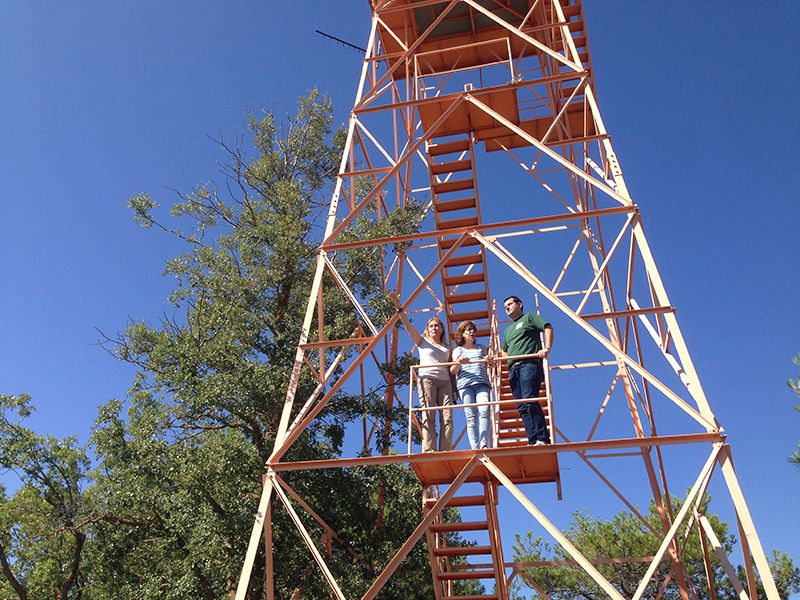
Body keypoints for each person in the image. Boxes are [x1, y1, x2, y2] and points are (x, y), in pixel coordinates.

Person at [390, 294, 453, 452]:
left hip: (445, 381)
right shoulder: (422, 342)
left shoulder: (447, 347)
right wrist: (399, 308)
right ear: (427, 329)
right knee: (428, 414)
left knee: (447, 417)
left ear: (442, 329)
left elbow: (454, 364)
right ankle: (429, 449)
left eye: (437, 326)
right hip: (427, 379)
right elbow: (409, 328)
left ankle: (445, 450)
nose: (434, 328)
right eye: (431, 326)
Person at [500, 295, 553, 446]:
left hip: (529, 364)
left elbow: (547, 327)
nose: (507, 307)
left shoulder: (529, 317)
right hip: (513, 369)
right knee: (522, 407)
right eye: (505, 306)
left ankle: (543, 438)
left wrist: (546, 348)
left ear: (520, 304)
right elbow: (504, 350)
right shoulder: (508, 330)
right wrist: (508, 359)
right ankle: (532, 440)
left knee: (529, 399)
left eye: (510, 304)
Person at [451, 320, 492, 450]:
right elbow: (453, 370)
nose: (472, 332)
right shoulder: (458, 351)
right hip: (465, 385)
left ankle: (483, 444)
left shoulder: (482, 348)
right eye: (469, 330)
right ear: (462, 333)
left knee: (484, 410)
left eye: (473, 329)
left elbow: (491, 364)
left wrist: (489, 361)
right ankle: (474, 447)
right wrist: (459, 362)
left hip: (482, 383)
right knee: (471, 417)